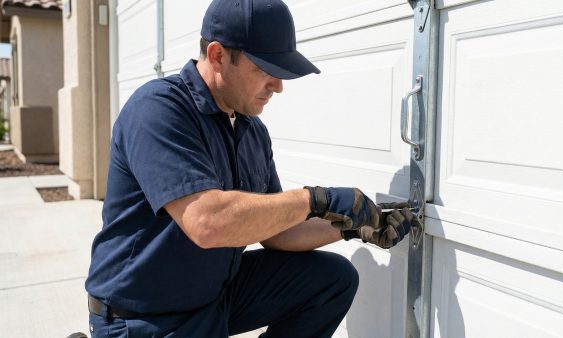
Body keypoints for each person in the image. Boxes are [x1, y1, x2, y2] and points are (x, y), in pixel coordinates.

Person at [85, 0, 414, 337]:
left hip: (213, 297)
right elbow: (207, 222)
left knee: (332, 279)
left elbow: (277, 232)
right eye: (265, 69)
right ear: (217, 56)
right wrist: (318, 199)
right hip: (146, 318)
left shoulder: (251, 130)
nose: (279, 85)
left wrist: (351, 227)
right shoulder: (158, 110)